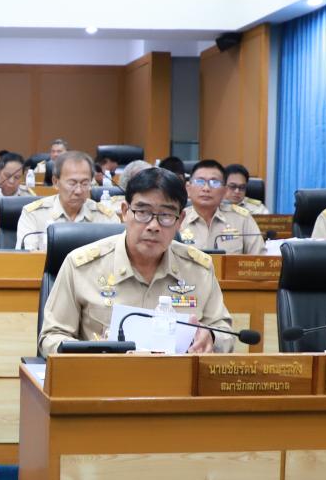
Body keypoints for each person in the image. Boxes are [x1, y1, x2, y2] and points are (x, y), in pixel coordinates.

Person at [39, 167, 232, 356]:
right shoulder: (81, 266)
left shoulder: (199, 269)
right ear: (125, 211)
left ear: (180, 220)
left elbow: (225, 331)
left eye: (166, 215)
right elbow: (51, 337)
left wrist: (211, 337)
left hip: (177, 375)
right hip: (104, 375)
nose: (153, 226)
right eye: (142, 212)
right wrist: (93, 354)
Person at [15, 151, 120, 249]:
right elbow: (27, 258)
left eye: (85, 183)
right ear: (55, 182)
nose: (78, 191)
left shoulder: (106, 218)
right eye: (72, 183)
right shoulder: (34, 214)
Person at [179, 159, 263, 254]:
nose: (206, 188)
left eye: (214, 183)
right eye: (199, 181)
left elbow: (259, 258)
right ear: (188, 188)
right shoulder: (178, 220)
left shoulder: (242, 219)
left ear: (224, 191)